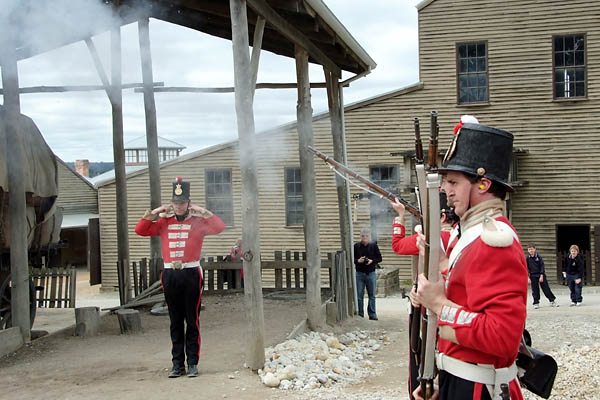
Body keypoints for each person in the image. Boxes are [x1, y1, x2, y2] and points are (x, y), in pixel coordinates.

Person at [413, 118, 528, 400]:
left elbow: (502, 338)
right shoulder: (468, 235)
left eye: (453, 182)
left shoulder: (494, 240)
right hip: (461, 379)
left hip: (481, 389)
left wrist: (438, 303)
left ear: (483, 184)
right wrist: (444, 378)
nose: (445, 190)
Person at [135, 177, 226, 378]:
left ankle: (192, 362)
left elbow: (219, 227)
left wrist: (202, 211)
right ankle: (178, 365)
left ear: (188, 203)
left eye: (182, 203)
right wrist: (156, 212)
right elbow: (140, 230)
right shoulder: (163, 222)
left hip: (191, 274)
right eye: (175, 203)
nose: (178, 206)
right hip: (170, 275)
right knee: (175, 321)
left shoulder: (198, 222)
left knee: (192, 320)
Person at [389, 191, 458, 400]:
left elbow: (397, 245)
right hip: (449, 310)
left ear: (442, 218)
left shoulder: (437, 238)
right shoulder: (458, 236)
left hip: (433, 309)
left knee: (425, 360)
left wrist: (399, 217)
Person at [353, 228, 382, 320]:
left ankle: (372, 314)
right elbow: (352, 259)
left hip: (371, 273)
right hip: (359, 273)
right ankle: (360, 314)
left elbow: (380, 258)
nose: (365, 238)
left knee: (372, 295)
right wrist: (358, 260)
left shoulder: (374, 246)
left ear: (369, 236)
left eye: (366, 236)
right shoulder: (356, 246)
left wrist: (371, 261)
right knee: (359, 295)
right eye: (363, 236)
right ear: (360, 237)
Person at [526, 244, 558, 308]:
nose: (531, 250)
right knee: (535, 290)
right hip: (532, 275)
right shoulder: (527, 258)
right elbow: (526, 268)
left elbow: (542, 266)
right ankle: (536, 302)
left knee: (546, 288)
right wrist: (528, 277)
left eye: (532, 249)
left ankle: (552, 300)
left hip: (540, 274)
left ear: (535, 249)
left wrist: (541, 275)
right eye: (529, 249)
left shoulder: (538, 257)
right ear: (528, 250)